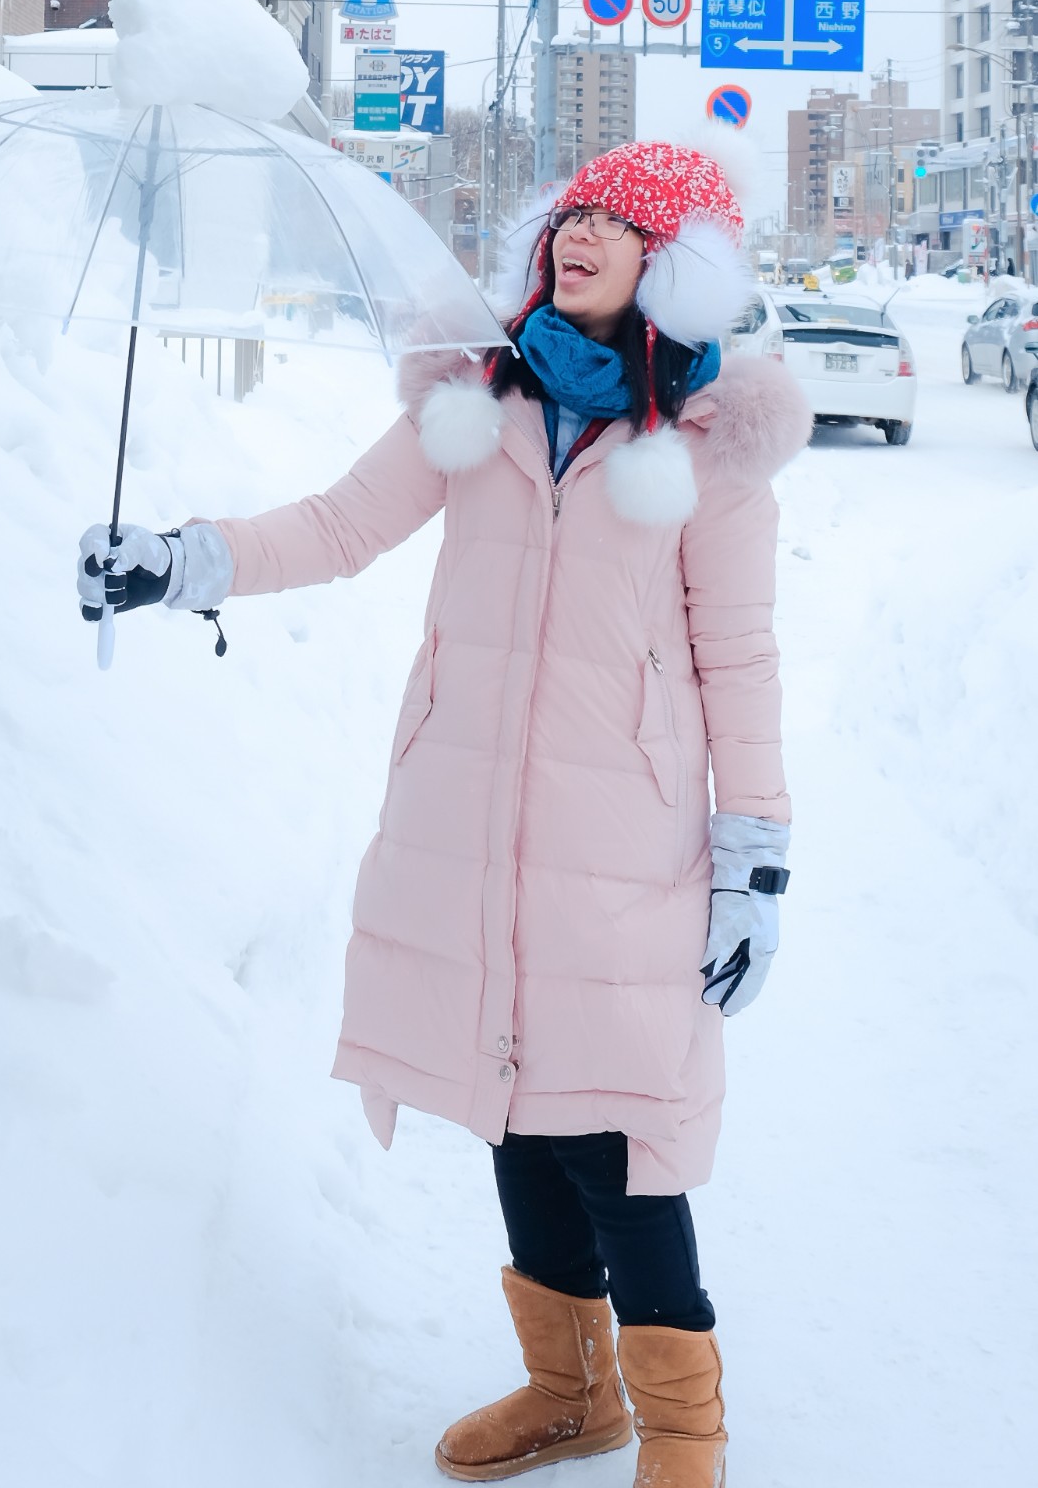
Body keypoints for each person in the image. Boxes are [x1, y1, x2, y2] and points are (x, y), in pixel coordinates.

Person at [79, 138, 810, 1487]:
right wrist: (180, 562)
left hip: (625, 844)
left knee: (622, 1128)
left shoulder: (705, 448)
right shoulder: (479, 397)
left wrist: (750, 859)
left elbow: (739, 660)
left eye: (617, 220)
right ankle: (566, 1393)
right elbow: (339, 526)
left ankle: (684, 1433)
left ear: (675, 269)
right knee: (513, 1097)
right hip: (465, 822)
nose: (579, 232)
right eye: (569, 212)